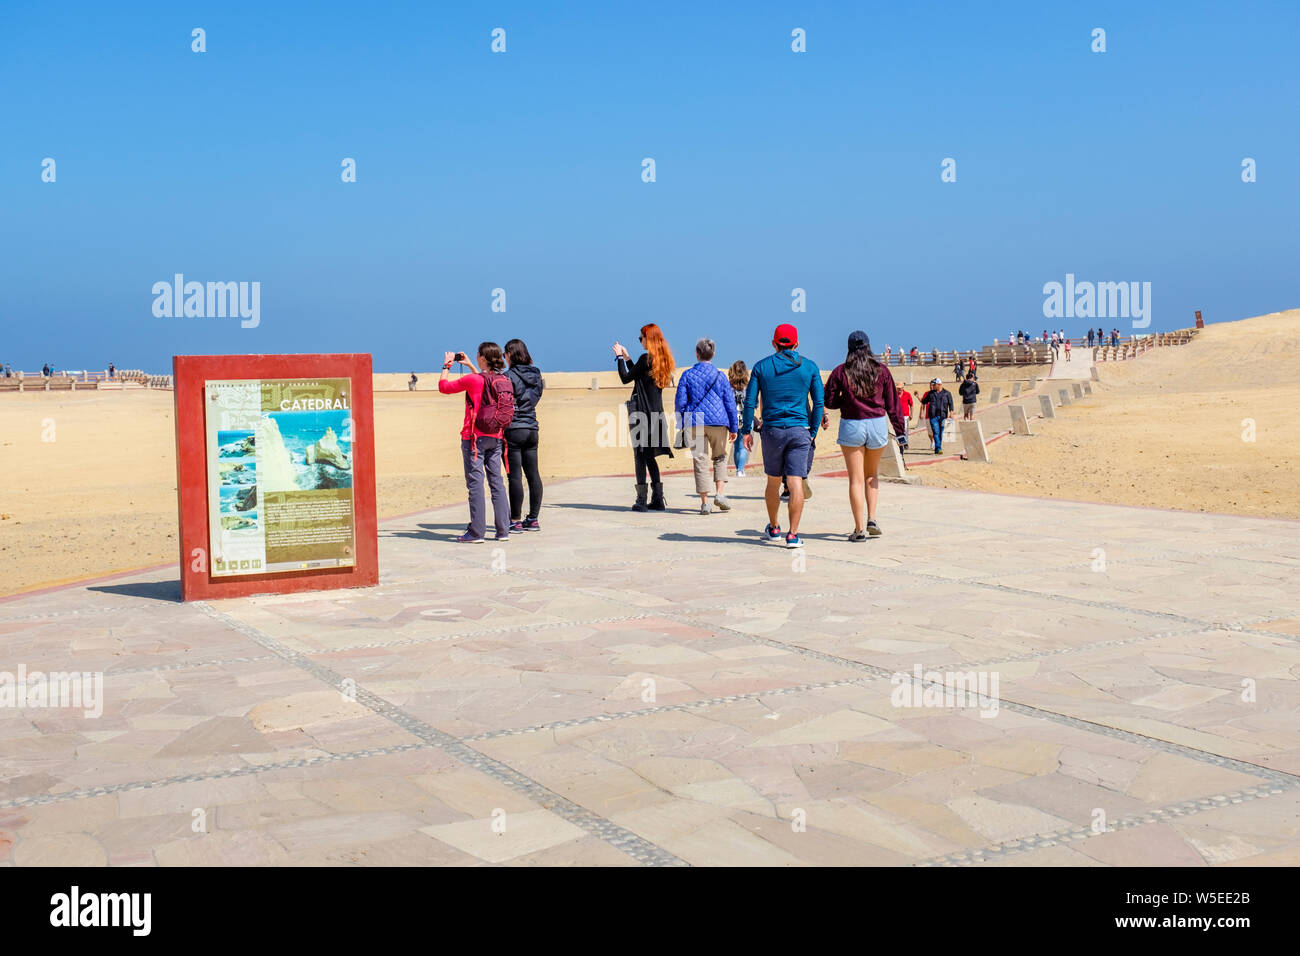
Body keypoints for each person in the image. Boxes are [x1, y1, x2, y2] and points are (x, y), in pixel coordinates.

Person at [741, 323, 823, 549]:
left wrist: (746, 430)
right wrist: (813, 431)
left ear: (774, 344)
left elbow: (750, 402)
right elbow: (818, 403)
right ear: (796, 344)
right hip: (800, 430)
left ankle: (774, 527)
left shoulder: (761, 367)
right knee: (796, 480)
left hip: (772, 431)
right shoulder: (810, 367)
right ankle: (793, 535)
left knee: (773, 481)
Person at [824, 331, 906, 540]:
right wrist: (900, 432)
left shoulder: (841, 371)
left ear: (849, 348)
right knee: (872, 475)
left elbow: (830, 401)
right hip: (877, 424)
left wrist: (847, 401)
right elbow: (892, 404)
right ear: (869, 346)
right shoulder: (882, 371)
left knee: (856, 479)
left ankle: (859, 528)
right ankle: (872, 518)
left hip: (852, 423)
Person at [439, 342, 512, 543]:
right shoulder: (503, 379)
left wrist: (446, 366)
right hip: (496, 436)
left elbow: (443, 387)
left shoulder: (473, 380)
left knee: (475, 483)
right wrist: (472, 365)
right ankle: (503, 530)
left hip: (474, 439)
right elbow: (484, 382)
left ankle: (477, 532)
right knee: (496, 482)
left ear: (482, 358)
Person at [615, 324, 675, 511]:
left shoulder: (645, 358)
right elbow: (639, 377)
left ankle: (641, 500)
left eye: (640, 338)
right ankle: (657, 499)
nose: (639, 341)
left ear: (647, 338)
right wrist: (628, 358)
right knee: (649, 456)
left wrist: (618, 357)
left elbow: (626, 378)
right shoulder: (661, 360)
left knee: (640, 456)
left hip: (641, 412)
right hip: (656, 413)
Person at [676, 338, 738, 515]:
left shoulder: (687, 375)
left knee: (700, 461)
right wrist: (734, 427)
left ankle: (705, 503)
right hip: (719, 422)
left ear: (697, 354)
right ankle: (720, 494)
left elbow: (680, 402)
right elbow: (729, 403)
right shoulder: (720, 376)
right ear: (713, 354)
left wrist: (681, 424)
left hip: (695, 422)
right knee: (720, 457)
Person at [503, 338, 544, 532]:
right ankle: (533, 519)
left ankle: (516, 520)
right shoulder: (536, 374)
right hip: (531, 428)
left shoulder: (508, 376)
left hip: (513, 429)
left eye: (505, 354)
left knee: (515, 476)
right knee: (533, 474)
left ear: (510, 354)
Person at [727, 360, 752, 477]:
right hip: (746, 418)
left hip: (733, 419)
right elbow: (753, 403)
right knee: (743, 446)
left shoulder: (729, 387)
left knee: (737, 445)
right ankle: (740, 470)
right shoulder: (748, 387)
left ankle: (739, 469)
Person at [920, 378, 954, 454]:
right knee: (935, 432)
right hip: (933, 416)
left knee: (940, 433)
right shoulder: (931, 393)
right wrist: (918, 397)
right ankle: (939, 448)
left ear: (939, 385)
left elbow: (951, 404)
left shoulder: (947, 393)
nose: (932, 386)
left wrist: (951, 412)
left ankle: (937, 448)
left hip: (943, 416)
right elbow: (924, 401)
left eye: (934, 385)